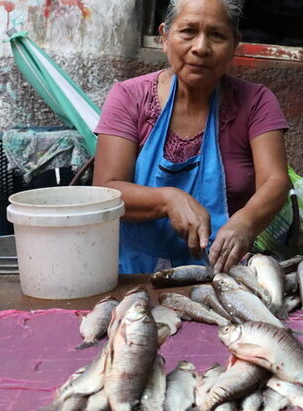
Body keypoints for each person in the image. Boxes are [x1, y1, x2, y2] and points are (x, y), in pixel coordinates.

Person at [94, 0, 290, 274]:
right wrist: (168, 199)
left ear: (235, 45)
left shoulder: (255, 102)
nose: (200, 47)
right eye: (188, 31)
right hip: (133, 278)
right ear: (164, 37)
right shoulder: (129, 97)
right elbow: (106, 190)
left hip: (225, 275)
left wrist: (245, 223)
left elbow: (276, 181)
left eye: (217, 35)